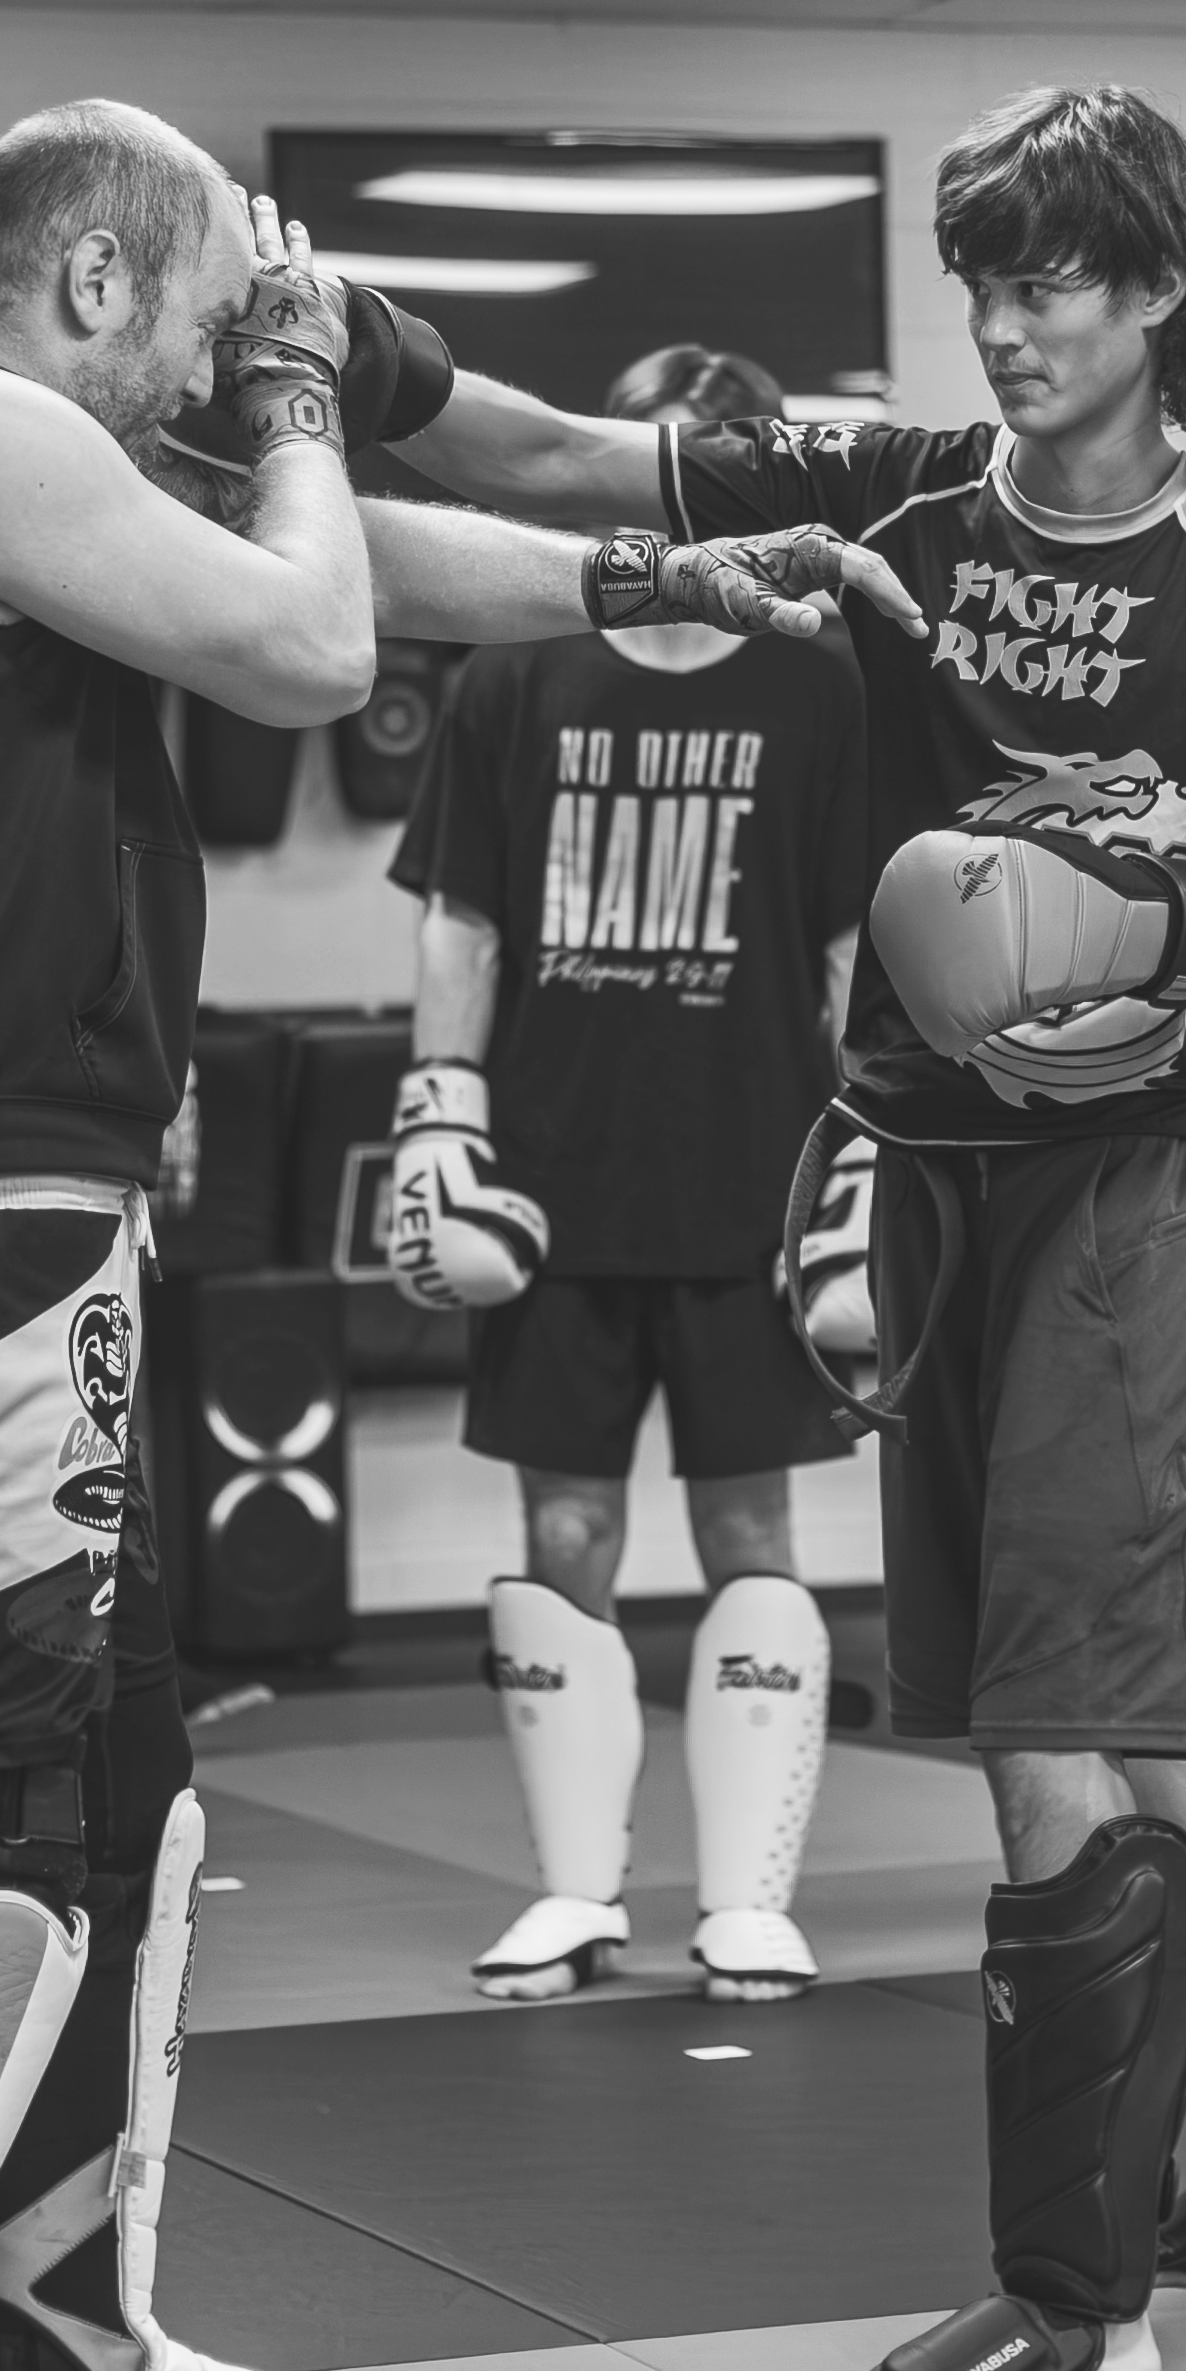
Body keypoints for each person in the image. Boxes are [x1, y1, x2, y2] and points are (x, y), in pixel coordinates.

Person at [0, 96, 912, 2371]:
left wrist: (672, 568)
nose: (239, 364)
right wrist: (308, 391)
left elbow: (370, 578)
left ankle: (62, 2343)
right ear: (109, 290)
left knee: (128, 1818)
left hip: (26, 1228)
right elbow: (314, 627)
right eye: (215, 316)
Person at [399, 83, 1186, 2371]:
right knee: (1071, 1696)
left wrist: (1146, 911)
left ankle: (1074, 2300)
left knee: (1056, 1724)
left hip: (1126, 1190)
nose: (1008, 319)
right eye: (981, 276)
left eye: (1052, 274)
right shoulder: (888, 499)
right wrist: (352, 343)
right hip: (912, 1174)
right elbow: (556, 467)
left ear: (1159, 290)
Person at [385, 342, 870, 2007]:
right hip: (550, 1183)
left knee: (750, 1518)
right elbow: (461, 914)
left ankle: (744, 1893)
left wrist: (871, 1139)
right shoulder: (512, 671)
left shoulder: (815, 682)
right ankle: (576, 1887)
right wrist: (438, 1114)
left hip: (755, 1171)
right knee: (563, 1525)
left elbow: (844, 939)